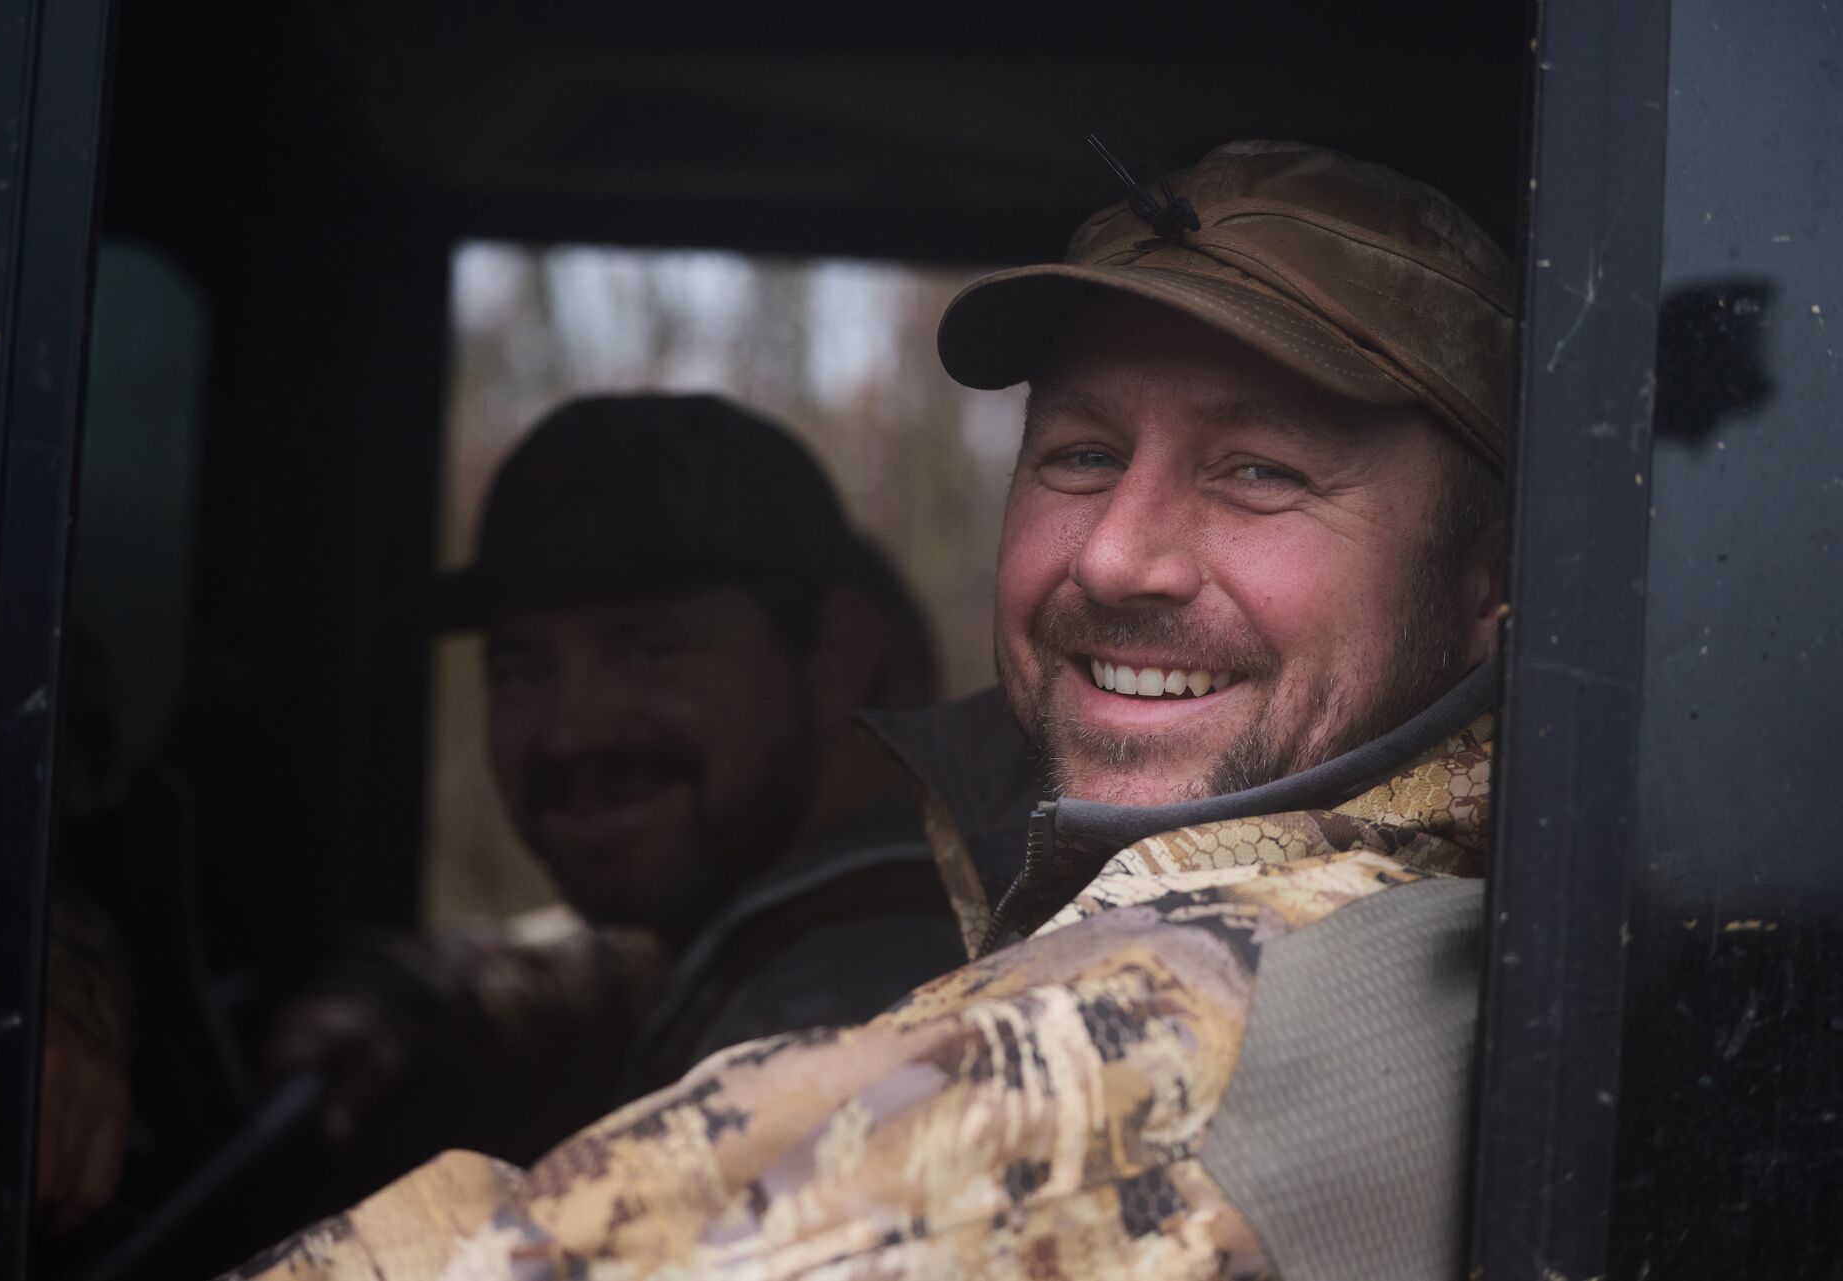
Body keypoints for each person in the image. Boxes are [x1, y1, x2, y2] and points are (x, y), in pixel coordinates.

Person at [223, 139, 1512, 1280]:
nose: (1117, 557)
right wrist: (416, 990)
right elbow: (612, 964)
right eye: (1081, 455)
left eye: (1262, 470)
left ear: (1496, 579)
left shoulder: (1171, 1044)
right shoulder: (1049, 847)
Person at [269, 395, 965, 1146]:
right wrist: (400, 994)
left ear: (835, 663)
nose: (571, 731)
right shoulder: (766, 918)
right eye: (522, 669)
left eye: (649, 651)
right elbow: (599, 973)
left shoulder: (824, 1035)